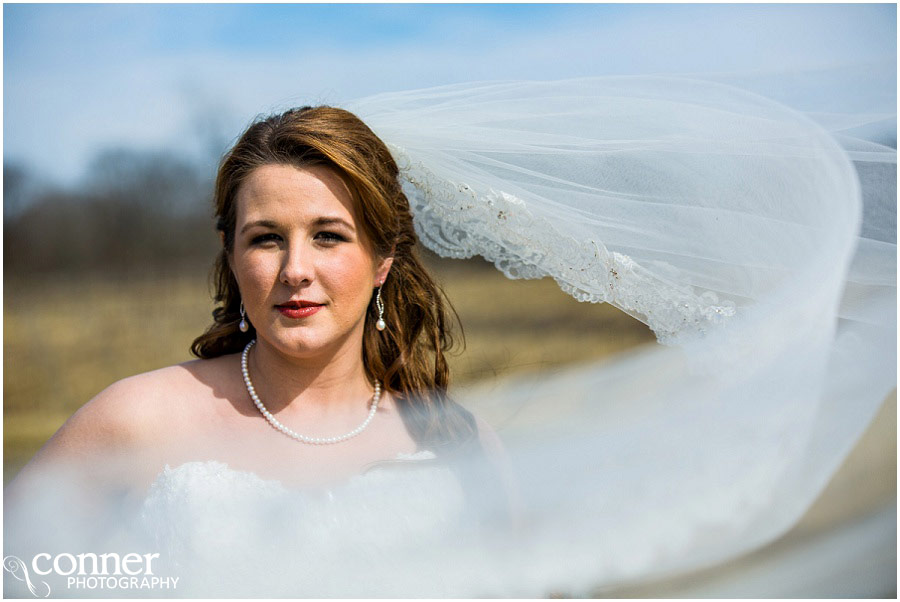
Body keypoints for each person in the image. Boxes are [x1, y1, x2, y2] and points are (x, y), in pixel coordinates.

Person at [5, 107, 517, 539]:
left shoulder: (458, 438)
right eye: (266, 238)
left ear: (382, 260)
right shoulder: (133, 421)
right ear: (231, 257)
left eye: (328, 236)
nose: (295, 270)